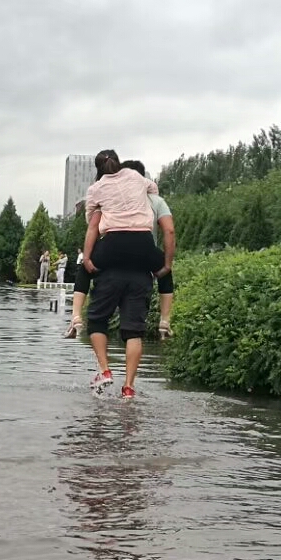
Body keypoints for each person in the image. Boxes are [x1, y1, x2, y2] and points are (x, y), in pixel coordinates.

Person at [81, 149, 161, 398]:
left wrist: (87, 258)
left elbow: (92, 222)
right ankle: (128, 388)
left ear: (99, 168)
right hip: (143, 246)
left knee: (96, 318)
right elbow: (154, 189)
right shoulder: (136, 177)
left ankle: (105, 370)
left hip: (113, 246)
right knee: (134, 331)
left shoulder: (96, 188)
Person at [123, 160, 177, 339]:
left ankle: (79, 313)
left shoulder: (115, 200)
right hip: (145, 257)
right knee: (136, 323)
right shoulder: (156, 201)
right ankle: (164, 320)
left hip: (116, 257)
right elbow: (169, 230)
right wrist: (166, 265)